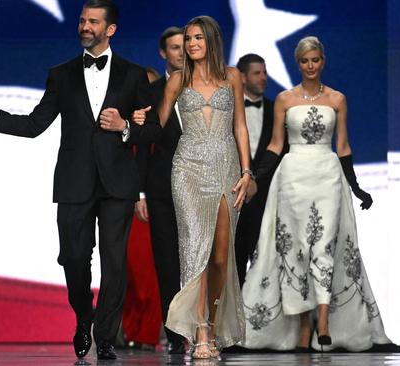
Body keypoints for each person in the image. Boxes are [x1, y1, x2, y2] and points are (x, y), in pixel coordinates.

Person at [0, 0, 161, 360]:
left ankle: (106, 336)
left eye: (93, 22)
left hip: (117, 183)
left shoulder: (133, 76)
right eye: (82, 20)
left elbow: (153, 132)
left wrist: (125, 127)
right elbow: (36, 124)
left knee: (115, 262)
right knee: (72, 257)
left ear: (110, 29)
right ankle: (84, 316)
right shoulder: (61, 74)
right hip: (74, 181)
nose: (85, 26)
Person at [241, 36, 399, 352]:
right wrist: (255, 177)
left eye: (315, 60)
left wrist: (355, 186)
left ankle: (323, 324)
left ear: (322, 62)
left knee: (324, 245)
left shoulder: (338, 99)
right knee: (296, 249)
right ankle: (303, 327)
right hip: (293, 177)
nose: (310, 66)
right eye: (304, 61)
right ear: (297, 64)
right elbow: (274, 145)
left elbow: (343, 146)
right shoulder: (284, 100)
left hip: (328, 175)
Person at [134, 16, 252, 359]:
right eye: (188, 39)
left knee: (219, 257)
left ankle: (212, 324)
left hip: (226, 168)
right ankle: (199, 331)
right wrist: (137, 123)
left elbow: (241, 126)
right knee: (195, 252)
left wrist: (247, 171)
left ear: (211, 40)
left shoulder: (232, 77)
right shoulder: (176, 79)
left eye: (197, 38)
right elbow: (157, 127)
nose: (191, 44)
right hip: (187, 170)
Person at [133, 26, 187, 354]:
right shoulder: (149, 95)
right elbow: (141, 148)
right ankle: (175, 333)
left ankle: (207, 328)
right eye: (175, 47)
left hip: (203, 187)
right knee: (167, 261)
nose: (182, 51)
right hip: (162, 188)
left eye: (186, 45)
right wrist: (140, 194)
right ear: (163, 53)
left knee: (203, 260)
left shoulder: (207, 87)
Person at [233, 53, 287, 287]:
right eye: (257, 73)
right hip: (233, 196)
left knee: (265, 264)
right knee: (232, 265)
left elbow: (282, 153)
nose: (264, 77)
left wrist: (256, 180)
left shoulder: (278, 109)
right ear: (242, 77)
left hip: (267, 199)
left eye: (265, 72)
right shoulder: (227, 109)